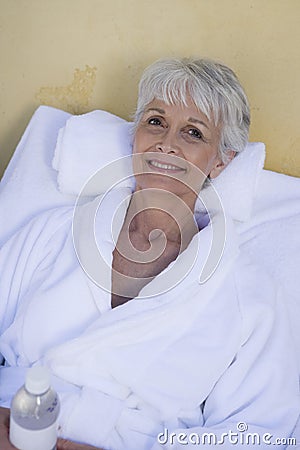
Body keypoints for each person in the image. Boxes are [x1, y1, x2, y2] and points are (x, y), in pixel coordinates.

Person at [0, 58, 299, 450]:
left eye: (193, 132)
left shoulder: (247, 292)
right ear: (135, 135)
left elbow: (260, 433)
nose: (167, 144)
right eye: (156, 121)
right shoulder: (53, 234)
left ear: (221, 161)